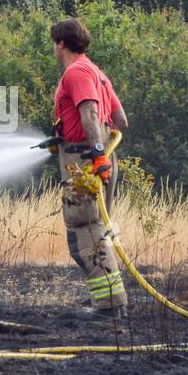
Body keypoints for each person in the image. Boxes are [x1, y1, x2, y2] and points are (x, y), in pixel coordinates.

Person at [49, 18, 129, 319]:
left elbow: (90, 111)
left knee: (84, 234)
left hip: (85, 162)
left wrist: (95, 153)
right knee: (97, 230)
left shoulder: (77, 71)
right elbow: (120, 121)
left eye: (53, 44)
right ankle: (112, 302)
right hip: (96, 159)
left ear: (60, 43)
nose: (53, 49)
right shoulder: (97, 72)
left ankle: (107, 309)